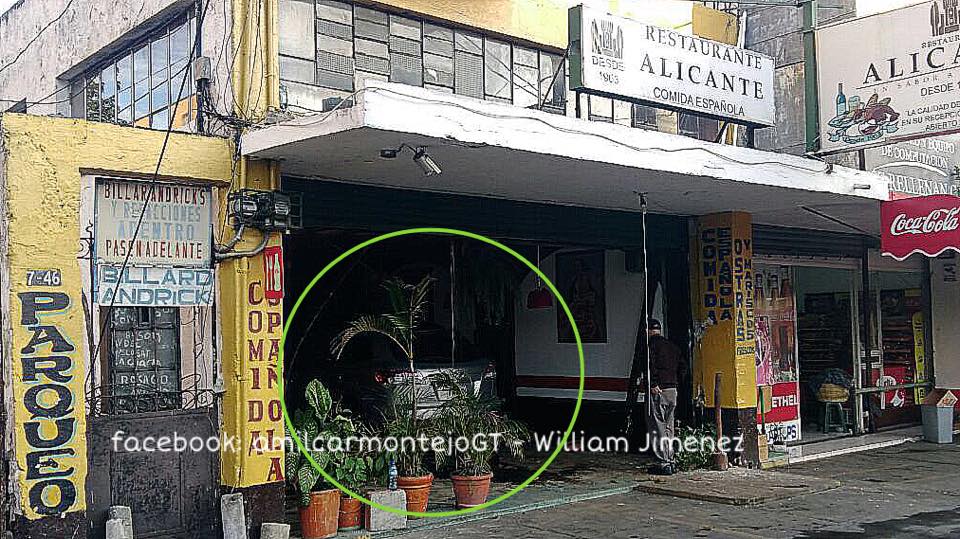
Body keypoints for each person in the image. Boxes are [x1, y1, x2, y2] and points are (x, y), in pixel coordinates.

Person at [646, 319, 686, 475]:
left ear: (648, 331)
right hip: (672, 390)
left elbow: (651, 365)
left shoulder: (651, 346)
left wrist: (654, 383)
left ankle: (664, 462)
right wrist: (676, 382)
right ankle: (670, 459)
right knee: (669, 426)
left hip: (659, 390)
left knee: (658, 426)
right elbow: (683, 366)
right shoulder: (673, 347)